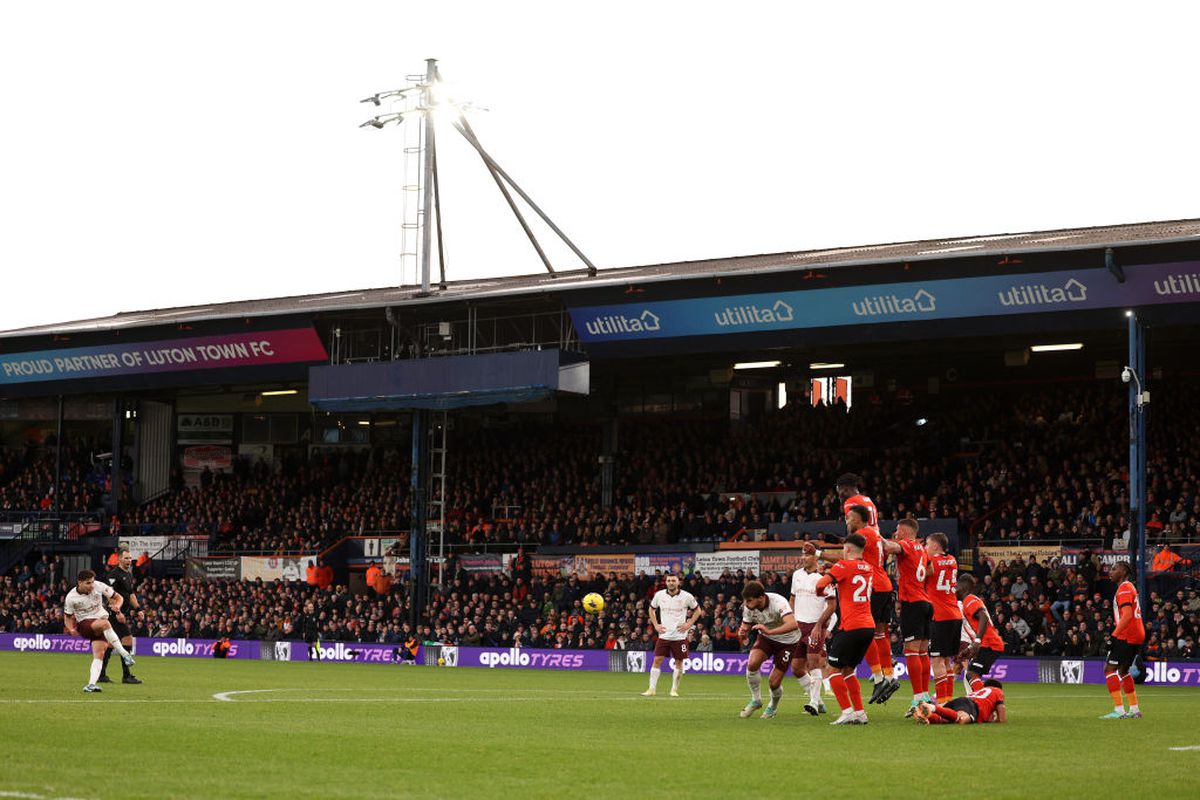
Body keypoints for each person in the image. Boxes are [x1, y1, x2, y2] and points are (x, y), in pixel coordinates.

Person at [834, 504, 898, 704]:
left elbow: (846, 557)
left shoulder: (863, 533)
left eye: (849, 518)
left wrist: (819, 555)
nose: (847, 521)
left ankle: (879, 678)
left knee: (867, 631)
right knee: (880, 633)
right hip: (884, 583)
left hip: (874, 587)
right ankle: (888, 677)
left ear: (861, 519)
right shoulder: (875, 534)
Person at [814, 533, 876, 725]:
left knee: (832, 669)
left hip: (851, 625)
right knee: (848, 670)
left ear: (847, 549)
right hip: (868, 626)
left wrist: (822, 590)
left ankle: (847, 711)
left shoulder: (843, 566)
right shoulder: (868, 568)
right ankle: (859, 712)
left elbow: (820, 585)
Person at [883, 517, 933, 715]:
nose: (895, 533)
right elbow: (930, 569)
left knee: (912, 651)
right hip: (925, 601)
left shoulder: (907, 544)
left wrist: (871, 533)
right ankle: (925, 696)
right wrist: (912, 576)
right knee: (922, 652)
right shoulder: (922, 548)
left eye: (897, 530)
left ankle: (917, 699)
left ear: (904, 531)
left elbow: (889, 547)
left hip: (912, 603)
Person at [62, 569, 136, 693]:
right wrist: (71, 629)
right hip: (84, 624)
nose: (91, 585)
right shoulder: (71, 597)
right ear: (79, 582)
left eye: (92, 582)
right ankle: (125, 654)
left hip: (99, 624)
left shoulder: (99, 586)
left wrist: (117, 606)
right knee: (106, 623)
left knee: (99, 655)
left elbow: (118, 597)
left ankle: (91, 685)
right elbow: (67, 616)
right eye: (88, 583)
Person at [736, 580, 802, 719]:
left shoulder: (778, 602)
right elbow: (746, 626)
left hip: (788, 641)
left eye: (749, 601)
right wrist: (742, 632)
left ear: (761, 598)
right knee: (752, 664)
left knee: (774, 682)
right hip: (767, 638)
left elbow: (793, 624)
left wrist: (770, 631)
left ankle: (773, 706)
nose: (746, 604)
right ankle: (756, 700)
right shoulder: (749, 607)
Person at [789, 545, 835, 715]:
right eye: (802, 554)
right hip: (798, 626)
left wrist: (818, 625)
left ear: (816, 557)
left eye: (807, 555)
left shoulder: (824, 578)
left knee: (814, 662)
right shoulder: (796, 575)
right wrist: (791, 618)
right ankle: (819, 701)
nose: (803, 558)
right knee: (796, 667)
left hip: (815, 626)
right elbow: (792, 598)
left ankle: (814, 702)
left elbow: (832, 605)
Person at [642, 572, 702, 697]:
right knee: (657, 660)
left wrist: (689, 624)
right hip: (664, 635)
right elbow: (651, 609)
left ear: (678, 582)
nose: (671, 583)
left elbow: (698, 610)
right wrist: (656, 625)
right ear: (666, 582)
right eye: (669, 581)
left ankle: (674, 690)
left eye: (673, 581)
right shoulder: (659, 595)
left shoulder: (686, 596)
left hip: (679, 636)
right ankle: (651, 689)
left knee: (679, 662)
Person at [1100, 561, 1145, 719]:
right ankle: (1134, 709)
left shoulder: (1124, 588)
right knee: (1123, 671)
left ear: (1124, 571)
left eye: (1114, 569)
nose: (1110, 572)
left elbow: (1127, 615)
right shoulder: (1130, 587)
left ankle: (1119, 710)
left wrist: (1113, 636)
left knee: (1109, 670)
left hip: (1127, 634)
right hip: (1137, 634)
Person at [924, 533, 962, 704]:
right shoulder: (952, 560)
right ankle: (947, 700)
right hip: (954, 615)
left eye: (927, 544)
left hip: (940, 616)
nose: (925, 547)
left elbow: (920, 573)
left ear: (935, 547)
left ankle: (941, 701)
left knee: (937, 660)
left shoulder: (933, 563)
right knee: (946, 660)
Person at [99, 548, 142, 685]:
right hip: (113, 614)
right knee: (128, 639)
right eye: (126, 558)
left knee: (111, 644)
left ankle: (101, 674)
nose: (129, 561)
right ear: (119, 559)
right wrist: (117, 612)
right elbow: (109, 595)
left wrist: (138, 609)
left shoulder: (128, 574)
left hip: (119, 613)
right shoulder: (114, 574)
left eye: (130, 558)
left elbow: (130, 594)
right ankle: (126, 676)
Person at [957, 574, 1003, 693]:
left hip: (990, 644)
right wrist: (970, 648)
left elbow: (983, 616)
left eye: (956, 587)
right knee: (969, 675)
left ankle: (985, 700)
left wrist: (977, 642)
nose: (954, 590)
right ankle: (977, 700)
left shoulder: (969, 600)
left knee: (971, 673)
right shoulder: (969, 600)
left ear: (963, 588)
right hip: (986, 643)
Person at [914, 679, 1007, 725]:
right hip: (971, 705)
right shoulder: (997, 691)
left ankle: (926, 716)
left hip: (960, 701)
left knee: (946, 719)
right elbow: (1001, 713)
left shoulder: (979, 692)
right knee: (962, 719)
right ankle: (931, 707)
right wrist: (1000, 720)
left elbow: (987, 716)